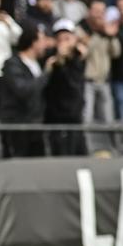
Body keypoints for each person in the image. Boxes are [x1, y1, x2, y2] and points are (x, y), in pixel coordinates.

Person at [0, 24, 52, 158]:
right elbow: (23, 90)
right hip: (17, 126)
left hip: (35, 125)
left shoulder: (37, 64)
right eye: (42, 40)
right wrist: (46, 74)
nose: (45, 44)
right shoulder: (12, 64)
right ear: (33, 42)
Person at [80, 0, 121, 155]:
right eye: (96, 11)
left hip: (104, 81)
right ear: (89, 12)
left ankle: (114, 150)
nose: (99, 15)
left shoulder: (107, 32)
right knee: (87, 118)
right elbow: (86, 52)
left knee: (108, 119)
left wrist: (110, 36)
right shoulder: (82, 28)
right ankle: (87, 150)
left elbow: (116, 52)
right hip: (87, 81)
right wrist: (97, 33)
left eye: (101, 12)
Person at [44, 20, 88, 156]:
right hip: (56, 118)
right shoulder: (50, 58)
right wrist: (58, 62)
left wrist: (64, 62)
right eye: (60, 39)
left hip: (75, 117)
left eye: (67, 38)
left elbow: (73, 85)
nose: (63, 43)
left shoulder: (78, 59)